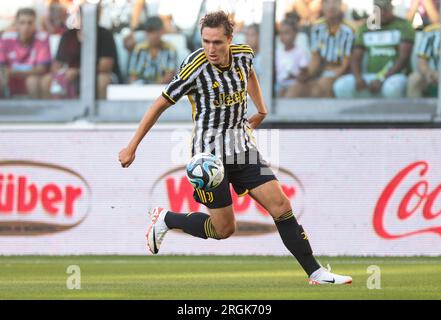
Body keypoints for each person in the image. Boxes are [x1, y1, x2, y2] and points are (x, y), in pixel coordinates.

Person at [118, 10, 352, 285]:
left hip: (241, 146)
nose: (210, 48)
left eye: (217, 42)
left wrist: (261, 109)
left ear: (230, 38)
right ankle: (167, 219)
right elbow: (159, 104)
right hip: (209, 159)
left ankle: (315, 272)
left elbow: (249, 74)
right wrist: (132, 146)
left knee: (281, 205)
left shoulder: (243, 54)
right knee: (224, 229)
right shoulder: (193, 67)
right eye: (206, 41)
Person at [333, 0, 415, 98]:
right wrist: (358, 78)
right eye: (379, 9)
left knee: (391, 88)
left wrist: (381, 79)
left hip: (395, 76)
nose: (382, 13)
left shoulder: (403, 25)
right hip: (370, 75)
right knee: (341, 86)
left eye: (386, 9)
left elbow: (403, 58)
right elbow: (355, 58)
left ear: (392, 8)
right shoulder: (365, 28)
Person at [41, 6, 121, 99]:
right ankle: (53, 112)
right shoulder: (68, 35)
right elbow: (56, 65)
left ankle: (100, 113)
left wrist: (78, 72)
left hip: (97, 74)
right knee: (46, 81)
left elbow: (105, 66)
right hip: (70, 74)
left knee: (102, 81)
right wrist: (64, 73)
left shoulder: (105, 34)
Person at [284, 0, 354, 98]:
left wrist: (328, 76)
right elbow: (315, 60)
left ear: (340, 5)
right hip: (321, 72)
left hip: (342, 74)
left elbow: (346, 66)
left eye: (335, 2)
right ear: (322, 5)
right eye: (327, 2)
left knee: (320, 87)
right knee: (295, 88)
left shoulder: (350, 29)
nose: (331, 5)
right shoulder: (317, 28)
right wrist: (306, 73)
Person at [0, 8, 51, 98]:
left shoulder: (42, 38)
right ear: (16, 24)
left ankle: (37, 111)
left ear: (35, 24)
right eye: (22, 22)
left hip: (34, 82)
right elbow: (2, 68)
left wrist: (12, 72)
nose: (26, 27)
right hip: (10, 82)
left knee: (32, 81)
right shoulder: (6, 38)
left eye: (30, 23)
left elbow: (41, 69)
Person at [128, 16, 177, 84]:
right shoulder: (139, 49)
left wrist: (154, 88)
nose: (152, 35)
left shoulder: (170, 49)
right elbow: (133, 75)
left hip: (162, 89)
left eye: (156, 31)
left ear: (162, 32)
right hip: (141, 88)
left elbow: (169, 75)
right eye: (149, 32)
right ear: (145, 33)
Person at [276, 18, 309, 97]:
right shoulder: (277, 53)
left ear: (295, 34)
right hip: (277, 86)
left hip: (294, 87)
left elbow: (304, 74)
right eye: (281, 33)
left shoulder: (300, 52)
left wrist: (293, 76)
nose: (283, 36)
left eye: (286, 33)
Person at [407, 23, 440, 97]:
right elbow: (422, 61)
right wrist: (428, 72)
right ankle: (415, 108)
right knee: (414, 79)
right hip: (437, 74)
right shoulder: (433, 32)